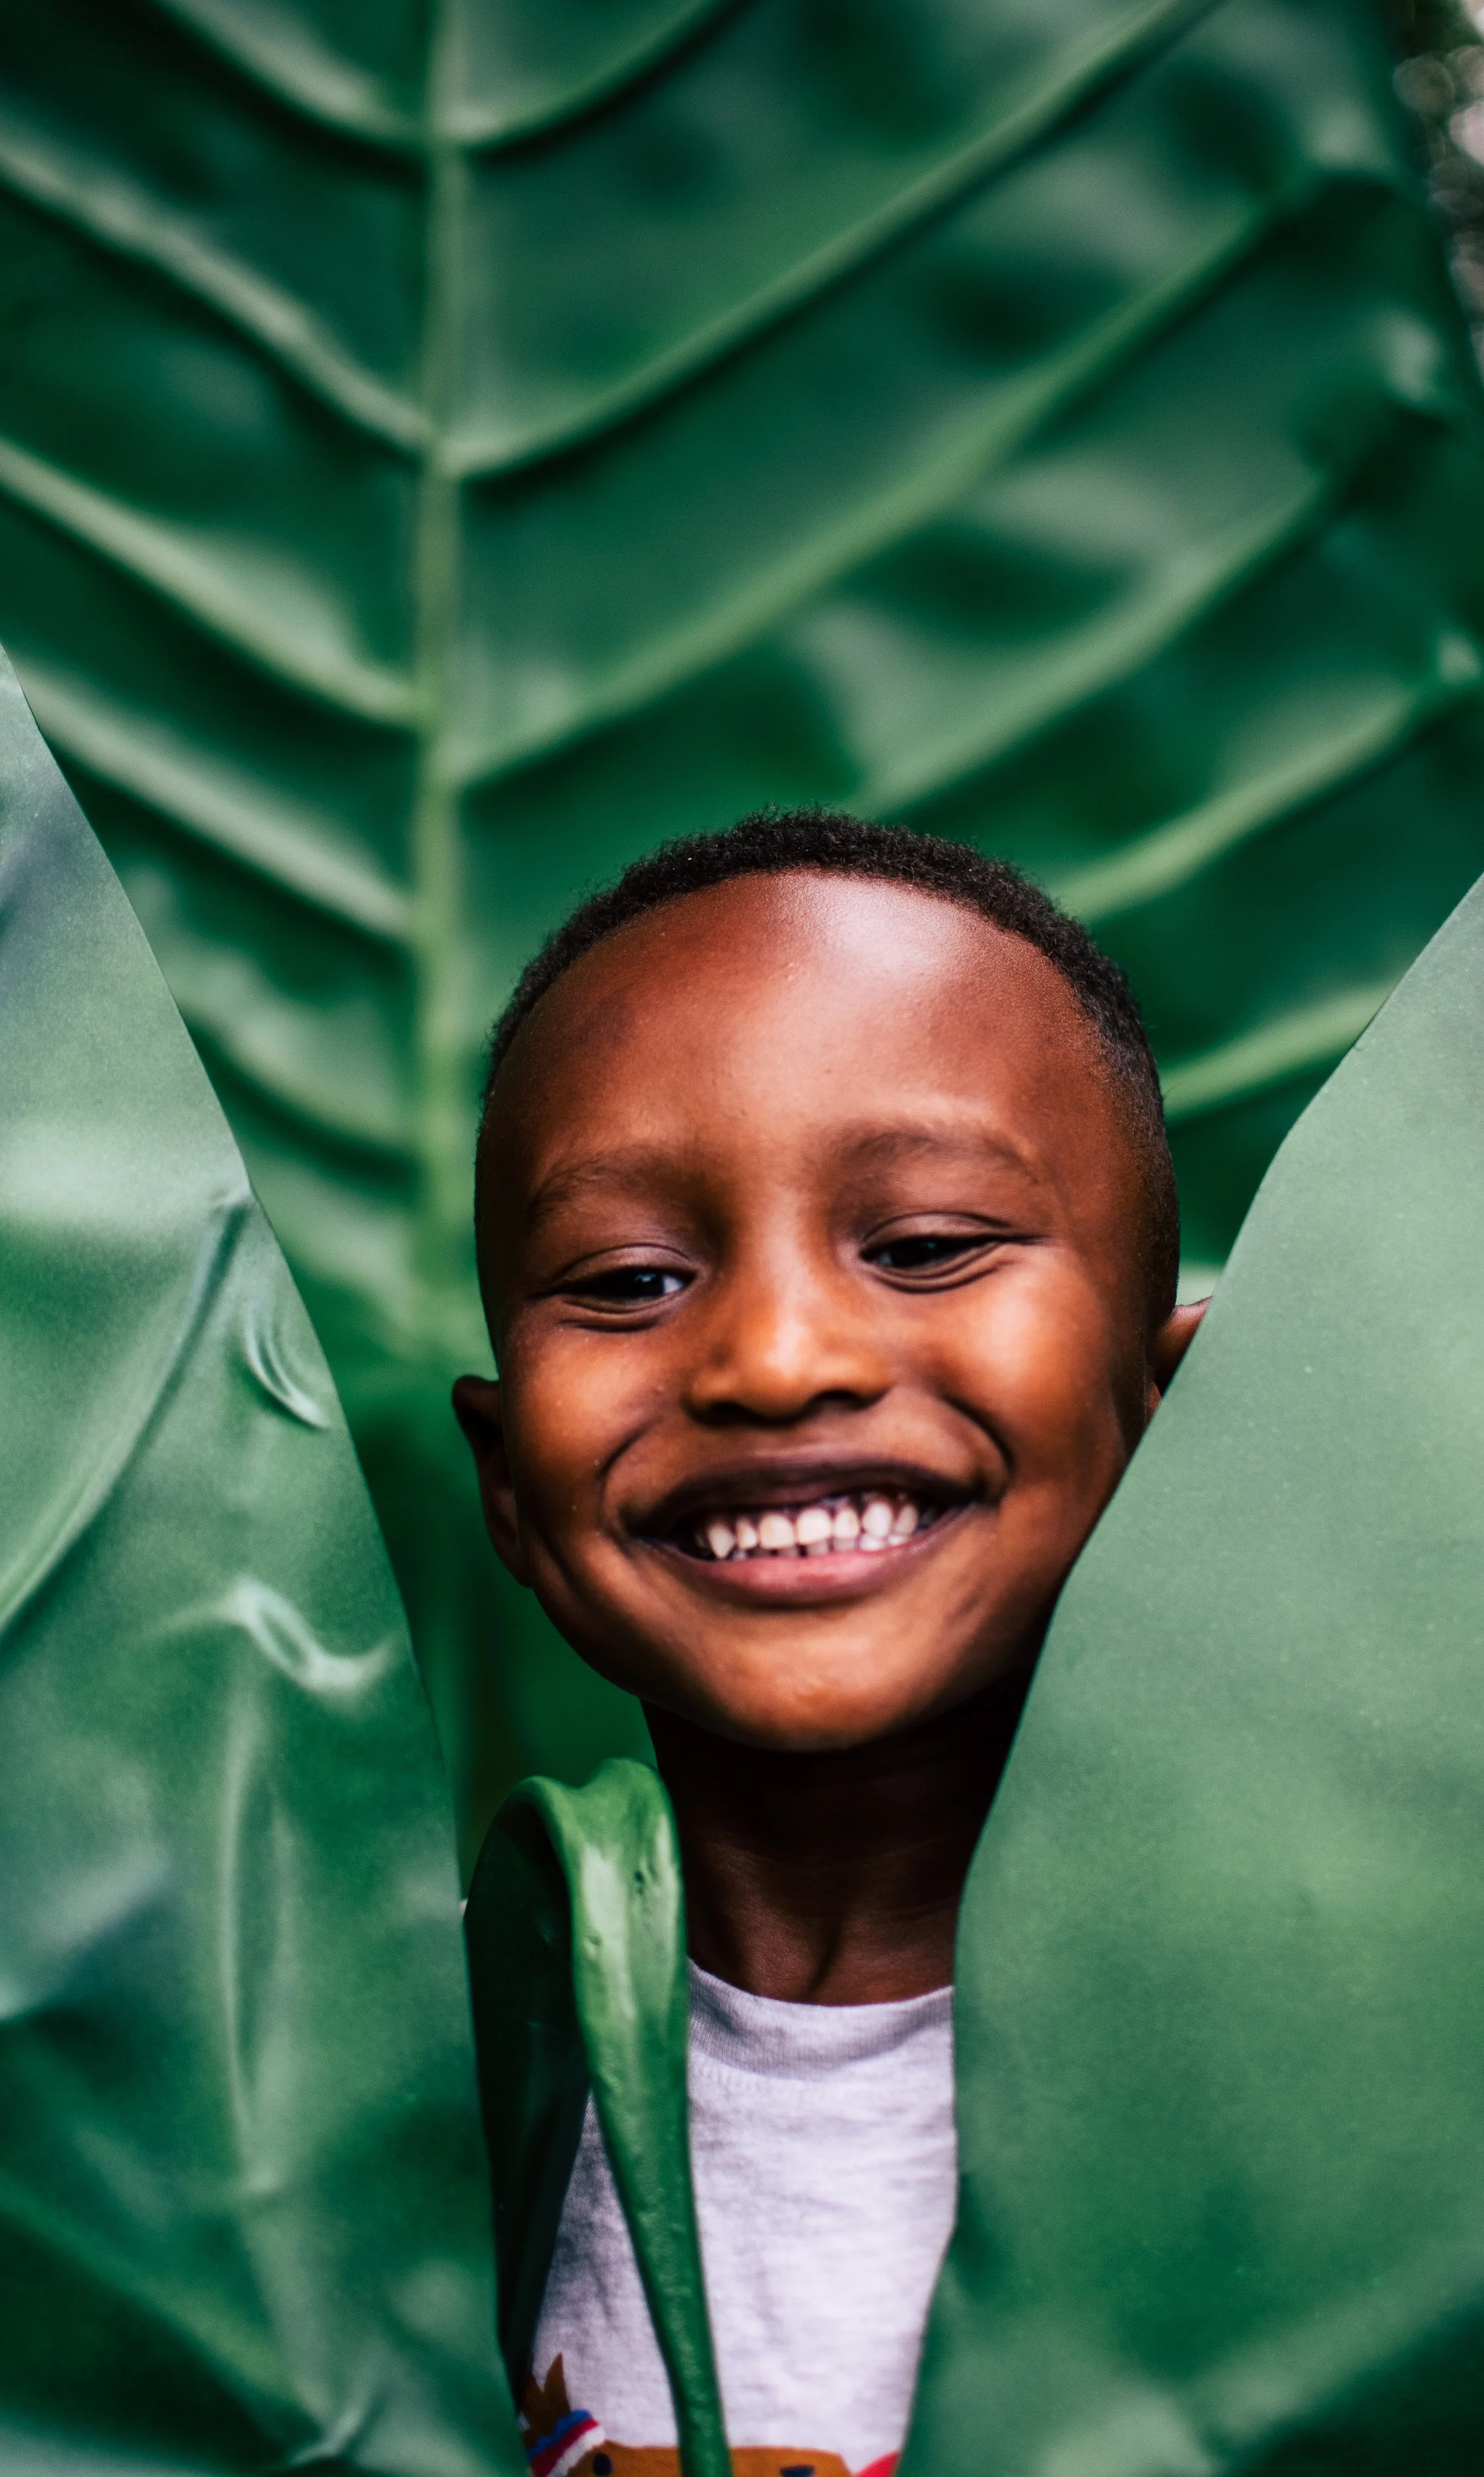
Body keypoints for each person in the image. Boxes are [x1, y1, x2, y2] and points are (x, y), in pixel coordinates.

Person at [454, 810, 1205, 2477]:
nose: (775, 1358)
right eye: (631, 1279)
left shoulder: (1396, 2064)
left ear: (1172, 1408)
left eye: (926, 1247)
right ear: (505, 1482)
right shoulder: (400, 2088)